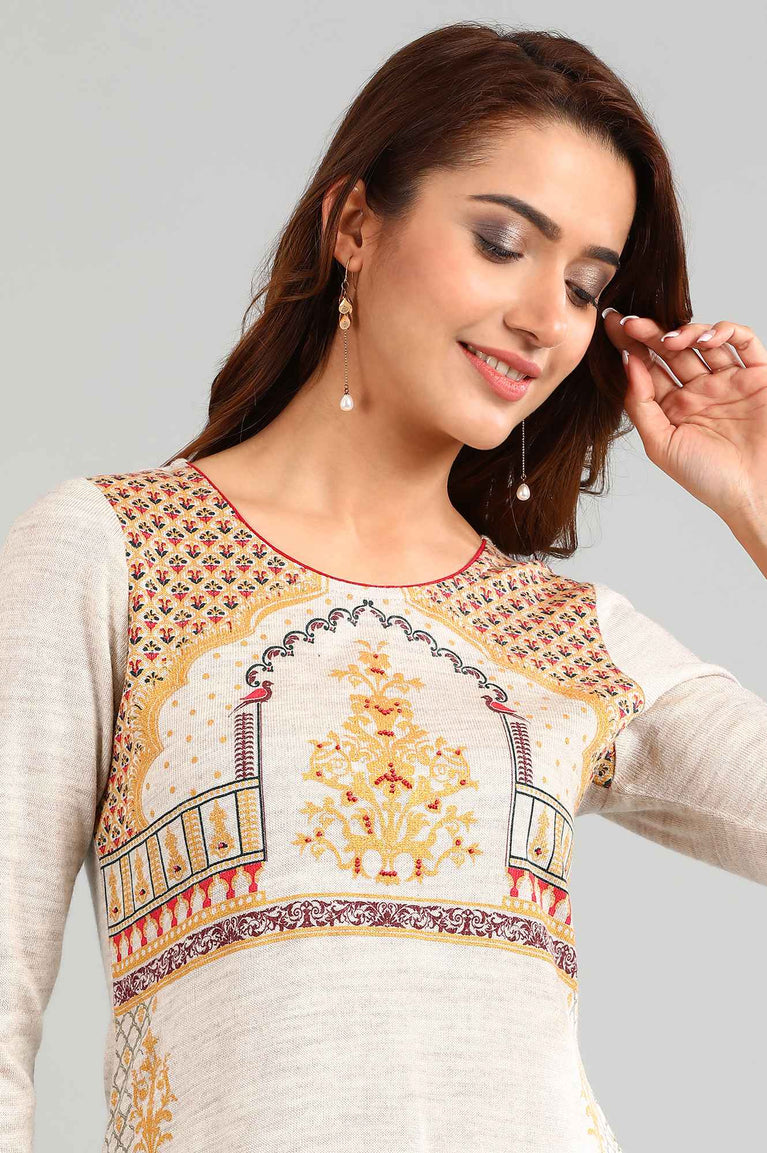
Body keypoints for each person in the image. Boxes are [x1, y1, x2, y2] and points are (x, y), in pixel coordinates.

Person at [1, 20, 765, 1153]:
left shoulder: (567, 634)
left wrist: (757, 498)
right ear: (354, 225)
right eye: (500, 242)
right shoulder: (117, 551)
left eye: (583, 286)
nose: (542, 317)